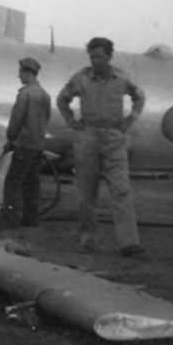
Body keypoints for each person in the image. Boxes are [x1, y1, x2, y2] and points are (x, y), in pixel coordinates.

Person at [57, 37, 146, 257]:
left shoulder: (122, 78)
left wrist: (129, 121)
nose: (96, 61)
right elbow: (62, 99)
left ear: (109, 56)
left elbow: (139, 97)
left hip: (114, 138)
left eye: (100, 56)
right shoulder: (81, 78)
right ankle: (87, 238)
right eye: (92, 57)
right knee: (87, 190)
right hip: (88, 136)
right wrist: (72, 122)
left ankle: (129, 243)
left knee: (121, 189)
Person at [0, 56, 51, 232]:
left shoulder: (25, 94)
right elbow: (45, 119)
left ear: (28, 73)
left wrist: (11, 139)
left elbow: (16, 121)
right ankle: (31, 219)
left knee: (13, 183)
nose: (19, 76)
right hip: (38, 146)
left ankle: (9, 222)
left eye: (21, 73)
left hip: (24, 146)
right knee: (32, 184)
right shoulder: (45, 95)